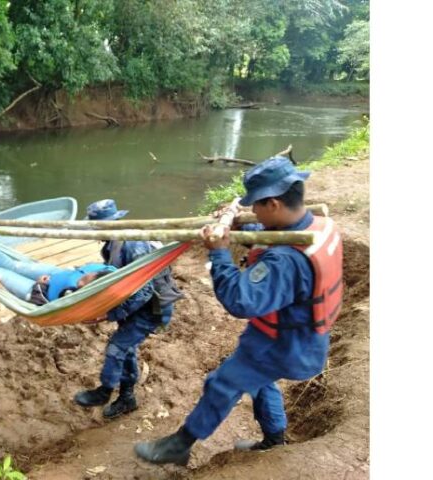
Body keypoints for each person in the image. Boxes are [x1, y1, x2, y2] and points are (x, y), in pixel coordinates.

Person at [134, 157, 343, 465]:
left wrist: (219, 252)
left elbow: (240, 301)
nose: (252, 212)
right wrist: (238, 225)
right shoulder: (319, 225)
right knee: (260, 383)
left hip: (280, 345)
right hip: (307, 339)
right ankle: (274, 438)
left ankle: (180, 444)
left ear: (272, 203)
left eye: (256, 206)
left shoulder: (285, 262)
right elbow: (274, 239)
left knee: (222, 384)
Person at [73, 199, 184, 419]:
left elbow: (144, 291)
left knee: (117, 346)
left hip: (152, 306)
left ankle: (105, 391)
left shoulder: (134, 244)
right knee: (127, 349)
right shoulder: (111, 243)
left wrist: (110, 314)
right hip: (133, 302)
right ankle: (127, 398)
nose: (95, 232)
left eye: (97, 227)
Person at [0, 239, 116, 305]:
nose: (80, 281)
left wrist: (41, 284)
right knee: (13, 265)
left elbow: (58, 305)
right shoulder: (110, 272)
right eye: (84, 278)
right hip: (55, 273)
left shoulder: (77, 296)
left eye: (82, 284)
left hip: (38, 291)